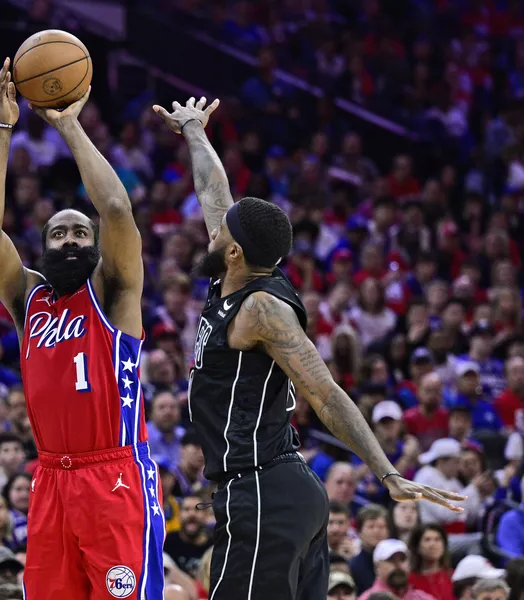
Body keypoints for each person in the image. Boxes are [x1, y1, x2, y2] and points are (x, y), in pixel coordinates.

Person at [152, 97, 464, 600]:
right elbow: (214, 189)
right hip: (281, 488)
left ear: (232, 251)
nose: (212, 228)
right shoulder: (238, 267)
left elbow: (324, 393)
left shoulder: (261, 309)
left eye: (221, 232)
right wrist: (192, 129)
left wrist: (386, 472)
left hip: (262, 491)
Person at [0, 59, 163, 599]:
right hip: (51, 480)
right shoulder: (27, 299)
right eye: (60, 234)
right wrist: (4, 128)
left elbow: (117, 208)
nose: (73, 239)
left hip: (115, 476)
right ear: (43, 248)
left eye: (81, 233)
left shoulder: (114, 292)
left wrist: (68, 126)